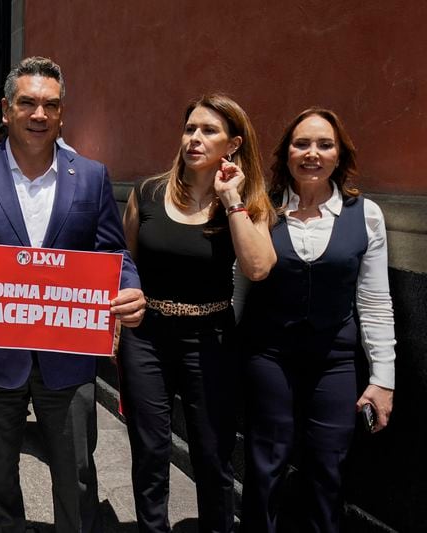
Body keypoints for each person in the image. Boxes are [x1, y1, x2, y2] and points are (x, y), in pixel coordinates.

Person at [0, 56, 146, 533]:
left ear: (63, 113)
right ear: (6, 109)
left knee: (77, 475)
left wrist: (129, 288)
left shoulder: (90, 176)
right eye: (27, 103)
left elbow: (114, 252)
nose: (38, 114)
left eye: (50, 105)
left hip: (67, 357)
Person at [119, 94, 276, 533]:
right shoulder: (147, 192)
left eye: (208, 131)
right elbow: (124, 264)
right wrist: (118, 327)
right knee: (149, 452)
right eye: (190, 128)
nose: (194, 138)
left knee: (212, 454)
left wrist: (231, 200)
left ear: (233, 144)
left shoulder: (248, 202)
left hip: (212, 340)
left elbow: (259, 267)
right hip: (145, 336)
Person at [236, 109, 396, 533]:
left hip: (335, 360)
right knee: (264, 462)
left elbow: (375, 301)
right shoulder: (260, 208)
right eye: (301, 143)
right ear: (285, 152)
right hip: (268, 355)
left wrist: (383, 379)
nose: (312, 153)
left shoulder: (367, 214)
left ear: (340, 154)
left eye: (324, 144)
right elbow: (239, 290)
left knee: (328, 466)